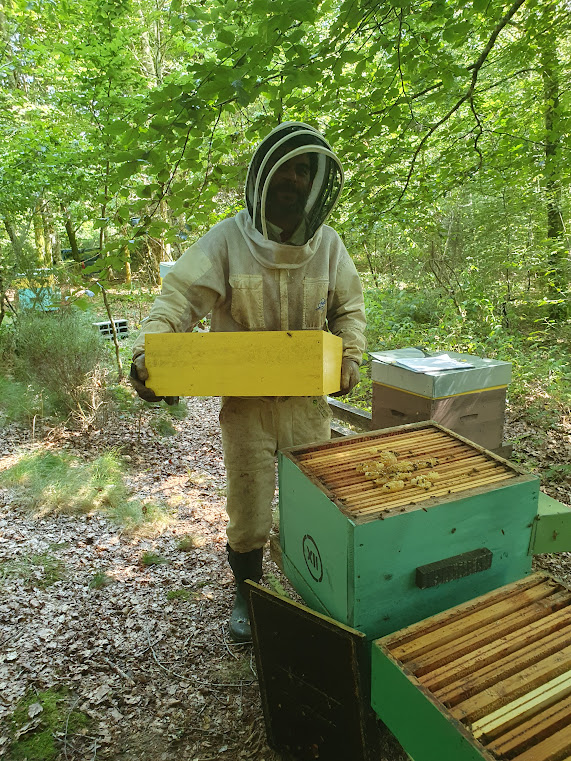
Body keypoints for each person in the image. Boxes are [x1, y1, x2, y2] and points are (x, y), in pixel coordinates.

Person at [130, 122, 366, 642]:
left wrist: (350, 356)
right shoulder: (225, 240)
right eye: (284, 168)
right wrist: (151, 354)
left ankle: (317, 588)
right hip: (247, 405)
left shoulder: (329, 246)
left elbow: (349, 307)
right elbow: (177, 300)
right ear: (262, 176)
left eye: (303, 171)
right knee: (249, 504)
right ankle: (249, 593)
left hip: (307, 403)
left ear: (315, 183)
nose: (293, 179)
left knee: (316, 502)